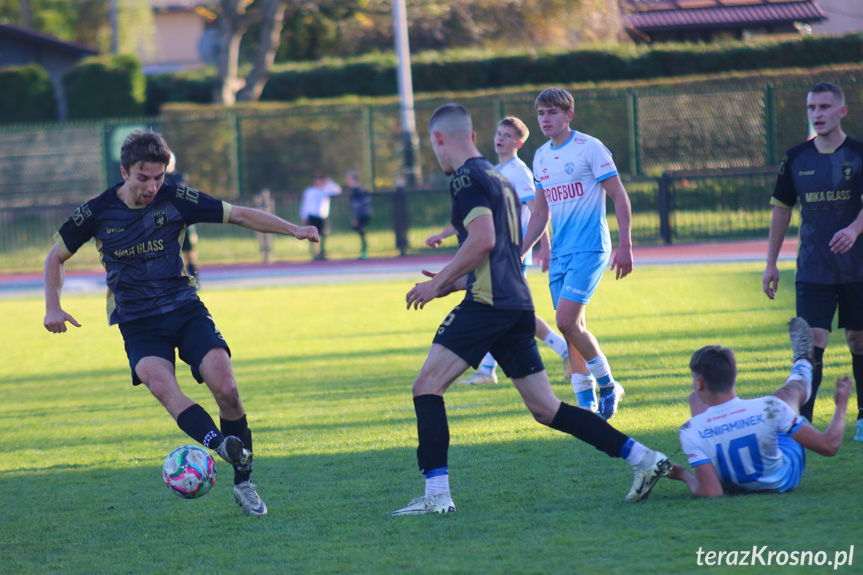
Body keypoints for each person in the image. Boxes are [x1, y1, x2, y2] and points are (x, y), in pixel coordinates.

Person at [391, 103, 671, 515]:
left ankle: (437, 497)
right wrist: (450, 283)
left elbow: (483, 240)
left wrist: (437, 283)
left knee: (426, 387)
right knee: (547, 409)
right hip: (516, 304)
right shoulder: (497, 178)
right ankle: (644, 459)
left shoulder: (466, 178)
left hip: (488, 305)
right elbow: (500, 250)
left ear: (438, 139)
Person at [43, 129, 320, 517]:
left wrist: (293, 229)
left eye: (159, 178)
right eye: (143, 178)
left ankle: (245, 484)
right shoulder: (97, 210)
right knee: (162, 386)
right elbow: (55, 258)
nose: (153, 187)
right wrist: (52, 306)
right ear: (125, 172)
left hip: (185, 310)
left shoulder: (177, 199)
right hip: (138, 323)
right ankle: (219, 445)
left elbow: (238, 214)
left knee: (227, 388)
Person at [425, 116, 577, 387]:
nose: (500, 138)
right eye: (498, 133)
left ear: (518, 143)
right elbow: (471, 216)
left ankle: (562, 352)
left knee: (506, 310)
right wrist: (442, 234)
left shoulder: (519, 171)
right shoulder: (495, 170)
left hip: (512, 253)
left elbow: (537, 211)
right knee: (503, 310)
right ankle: (492, 369)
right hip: (499, 255)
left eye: (507, 135)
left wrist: (544, 248)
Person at [521, 87, 634, 420]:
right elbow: (540, 215)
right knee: (573, 328)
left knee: (565, 321)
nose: (546, 119)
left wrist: (626, 245)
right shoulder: (540, 155)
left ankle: (609, 385)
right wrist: (520, 251)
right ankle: (586, 403)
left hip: (591, 247)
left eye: (552, 112)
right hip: (561, 253)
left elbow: (620, 197)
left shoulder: (590, 147)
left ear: (569, 115)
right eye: (541, 113)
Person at [762, 81, 863, 437]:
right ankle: (802, 420)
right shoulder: (796, 158)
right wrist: (771, 262)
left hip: (858, 267)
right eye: (811, 108)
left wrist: (853, 229)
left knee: (858, 340)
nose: (817, 114)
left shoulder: (858, 154)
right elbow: (781, 211)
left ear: (842, 111)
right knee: (812, 340)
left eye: (824, 107)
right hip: (813, 268)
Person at [668, 318, 851, 497]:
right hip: (782, 478)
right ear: (734, 375)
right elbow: (829, 446)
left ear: (699, 383)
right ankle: (803, 363)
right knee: (787, 395)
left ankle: (802, 360)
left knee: (696, 401)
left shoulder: (690, 429)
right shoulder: (769, 407)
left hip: (729, 484)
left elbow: (712, 492)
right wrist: (841, 405)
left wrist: (683, 475)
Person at [164, 153, 200, 285]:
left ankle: (195, 277)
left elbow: (186, 199)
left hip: (182, 219)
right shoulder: (159, 178)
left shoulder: (178, 178)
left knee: (188, 251)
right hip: (167, 221)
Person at [299, 173, 341, 261]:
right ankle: (315, 253)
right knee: (312, 235)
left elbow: (337, 191)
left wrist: (329, 182)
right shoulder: (310, 191)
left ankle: (323, 252)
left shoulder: (326, 190)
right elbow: (305, 204)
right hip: (312, 215)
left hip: (322, 216)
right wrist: (303, 216)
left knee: (324, 235)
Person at [346, 169, 372, 259]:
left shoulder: (356, 191)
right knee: (361, 232)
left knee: (361, 231)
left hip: (361, 214)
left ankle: (364, 251)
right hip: (365, 213)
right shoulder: (362, 189)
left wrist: (356, 218)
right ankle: (364, 250)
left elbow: (357, 206)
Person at [254, 188, 275, 263]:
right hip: (260, 224)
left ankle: (269, 256)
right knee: (261, 239)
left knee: (269, 238)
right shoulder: (259, 205)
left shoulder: (270, 204)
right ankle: (262, 256)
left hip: (268, 225)